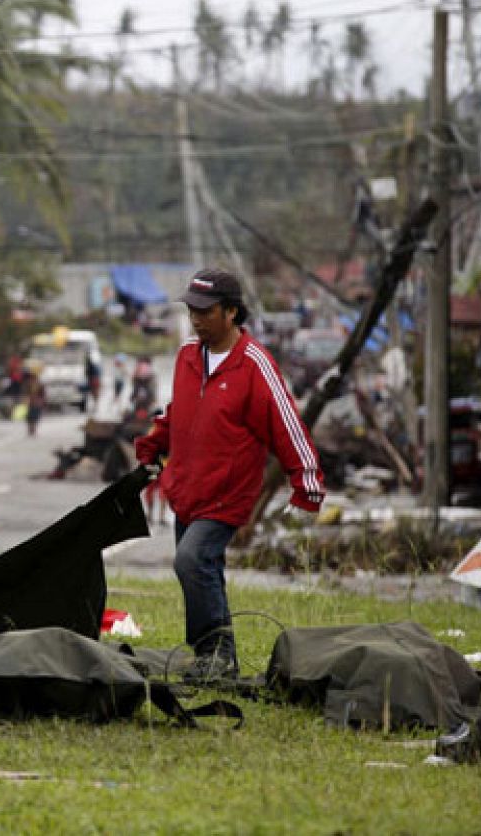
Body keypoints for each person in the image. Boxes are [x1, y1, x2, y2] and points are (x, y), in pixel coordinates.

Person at [135, 269, 324, 686]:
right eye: (191, 310)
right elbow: (179, 411)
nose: (196, 319)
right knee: (202, 569)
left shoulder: (254, 364)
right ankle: (216, 658)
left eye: (205, 311)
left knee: (191, 561)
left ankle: (217, 654)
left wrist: (306, 484)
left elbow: (286, 422)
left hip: (227, 493)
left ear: (232, 312)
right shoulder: (187, 355)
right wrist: (152, 444)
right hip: (187, 487)